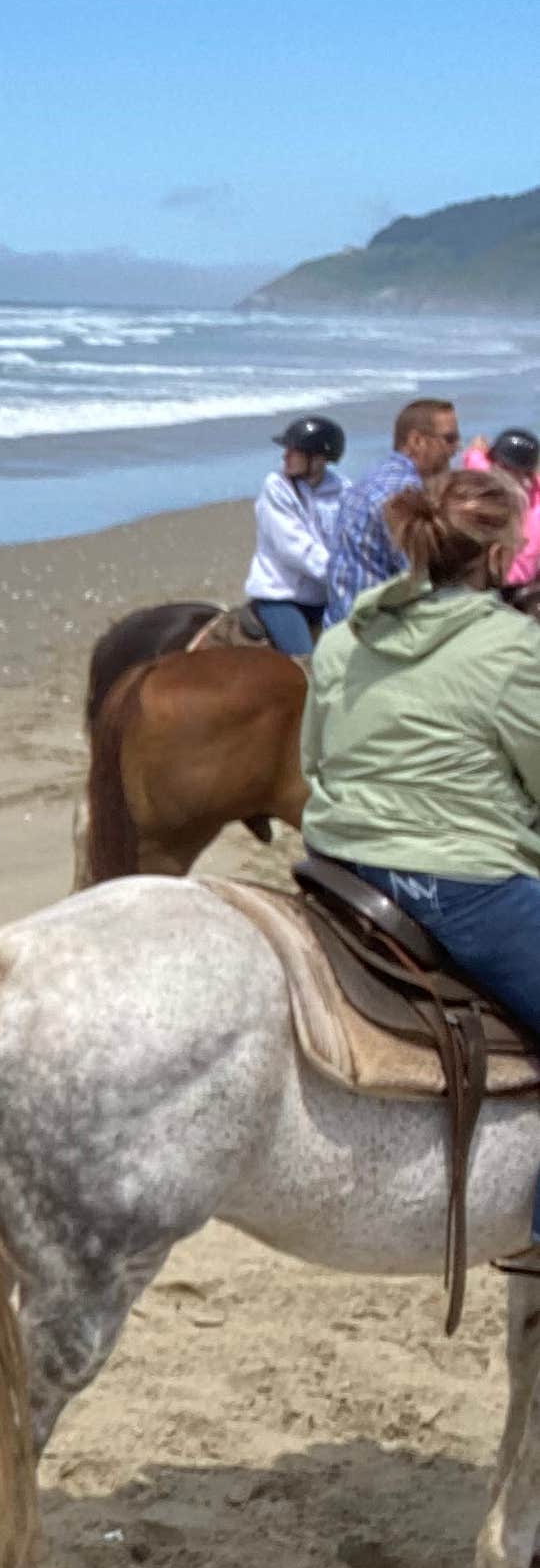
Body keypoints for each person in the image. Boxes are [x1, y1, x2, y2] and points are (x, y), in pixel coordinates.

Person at [302, 467, 540, 1119]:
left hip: (336, 862)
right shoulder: (516, 651)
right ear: (497, 556)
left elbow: (312, 759)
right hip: (458, 882)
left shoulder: (347, 634)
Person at [321, 395, 459, 625]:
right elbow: (421, 578)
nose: (457, 448)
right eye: (450, 439)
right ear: (417, 441)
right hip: (372, 629)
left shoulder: (371, 479)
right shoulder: (404, 494)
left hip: (341, 622)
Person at [243, 412, 345, 653]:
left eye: (294, 450)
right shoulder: (276, 488)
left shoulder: (344, 490)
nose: (285, 455)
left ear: (319, 458)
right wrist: (342, 574)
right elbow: (295, 549)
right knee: (308, 665)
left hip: (327, 598)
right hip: (282, 598)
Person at [462, 424, 540, 588]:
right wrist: (475, 455)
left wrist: (475, 454)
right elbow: (480, 465)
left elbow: (479, 464)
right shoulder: (490, 478)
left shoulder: (534, 511)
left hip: (514, 587)